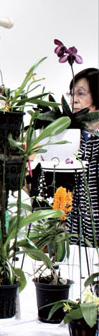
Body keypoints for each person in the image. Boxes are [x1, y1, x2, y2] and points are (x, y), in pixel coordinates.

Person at [66, 67, 99, 247]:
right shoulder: (73, 137)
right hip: (76, 232)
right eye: (71, 94)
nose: (74, 100)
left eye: (81, 93)